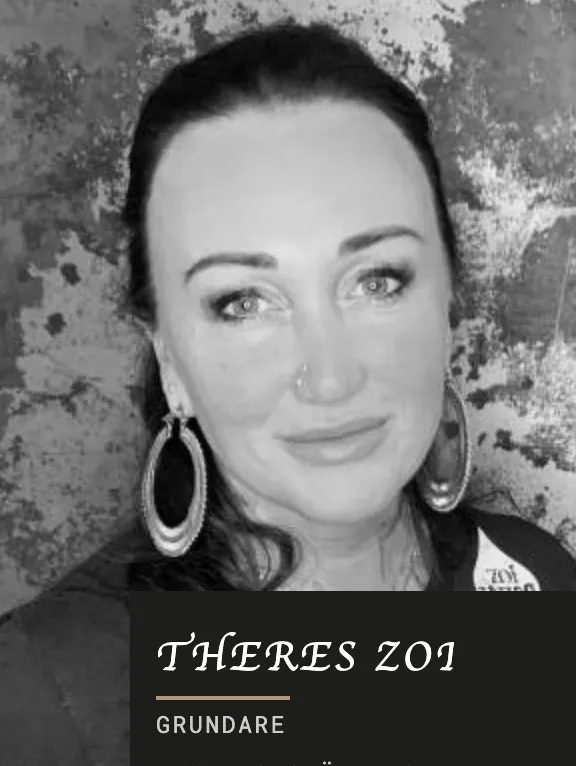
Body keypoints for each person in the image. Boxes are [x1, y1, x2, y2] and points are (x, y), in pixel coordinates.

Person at [1, 19, 575, 766]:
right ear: (168, 357)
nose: (330, 377)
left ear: (447, 301)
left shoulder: (536, 583)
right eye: (242, 302)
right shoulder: (54, 691)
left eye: (378, 280)